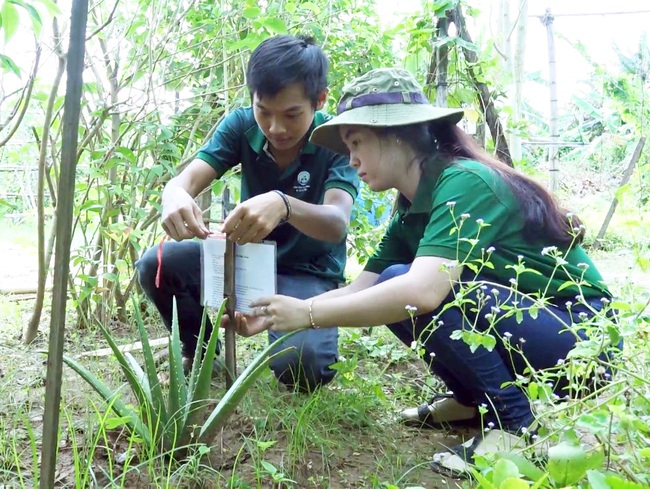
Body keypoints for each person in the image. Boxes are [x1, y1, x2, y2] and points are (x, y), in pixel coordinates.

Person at [232, 68, 619, 475]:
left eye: (357, 142)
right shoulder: (411, 207)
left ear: (397, 134)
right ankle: (471, 400)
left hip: (580, 342)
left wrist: (308, 315)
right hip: (532, 331)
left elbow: (423, 292)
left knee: (412, 286)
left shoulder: (465, 183)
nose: (352, 159)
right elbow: (361, 288)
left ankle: (514, 426)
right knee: (391, 282)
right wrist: (281, 314)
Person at [135, 35, 359, 392]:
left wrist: (283, 204)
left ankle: (295, 344)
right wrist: (174, 194)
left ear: (320, 100)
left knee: (303, 368)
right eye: (264, 111)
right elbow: (187, 180)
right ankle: (204, 352)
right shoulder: (240, 126)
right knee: (157, 265)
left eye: (291, 114)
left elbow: (336, 222)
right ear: (252, 98)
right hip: (242, 262)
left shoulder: (336, 139)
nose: (276, 128)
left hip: (306, 273)